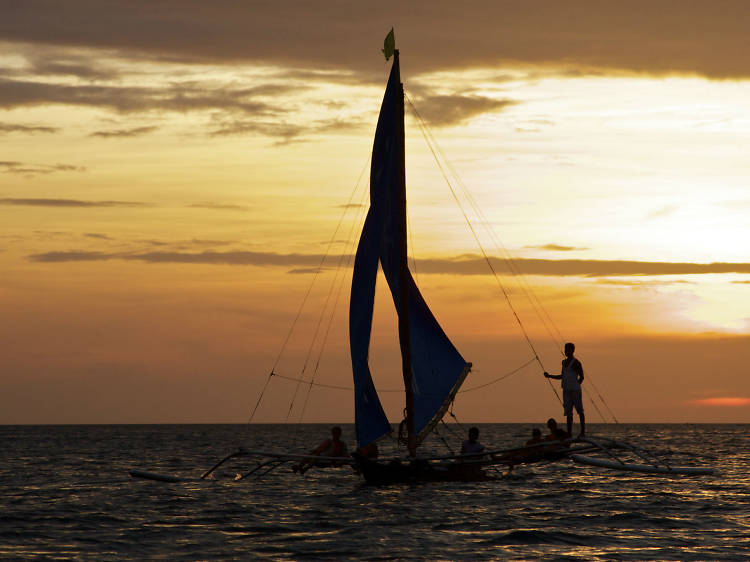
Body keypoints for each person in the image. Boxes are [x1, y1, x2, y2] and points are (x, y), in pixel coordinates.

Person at [544, 342, 586, 437]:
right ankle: (569, 433)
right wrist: (549, 376)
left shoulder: (576, 363)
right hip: (566, 390)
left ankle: (583, 432)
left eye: (568, 350)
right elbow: (562, 376)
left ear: (572, 350)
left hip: (575, 390)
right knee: (568, 412)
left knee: (580, 410)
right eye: (565, 349)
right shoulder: (563, 362)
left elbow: (582, 377)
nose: (566, 351)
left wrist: (576, 385)